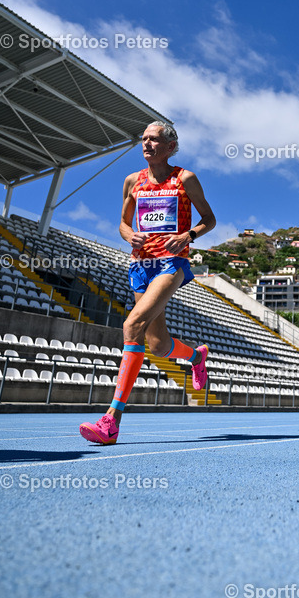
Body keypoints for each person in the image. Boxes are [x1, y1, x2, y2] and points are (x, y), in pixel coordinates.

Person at [79, 122, 216, 445]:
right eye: (144, 139)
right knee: (157, 344)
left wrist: (187, 235)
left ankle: (111, 421)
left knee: (132, 325)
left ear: (170, 147)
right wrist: (130, 235)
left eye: (154, 139)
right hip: (140, 265)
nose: (147, 144)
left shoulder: (185, 179)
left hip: (172, 263)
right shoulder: (132, 181)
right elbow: (123, 225)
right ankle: (197, 357)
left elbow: (209, 219)